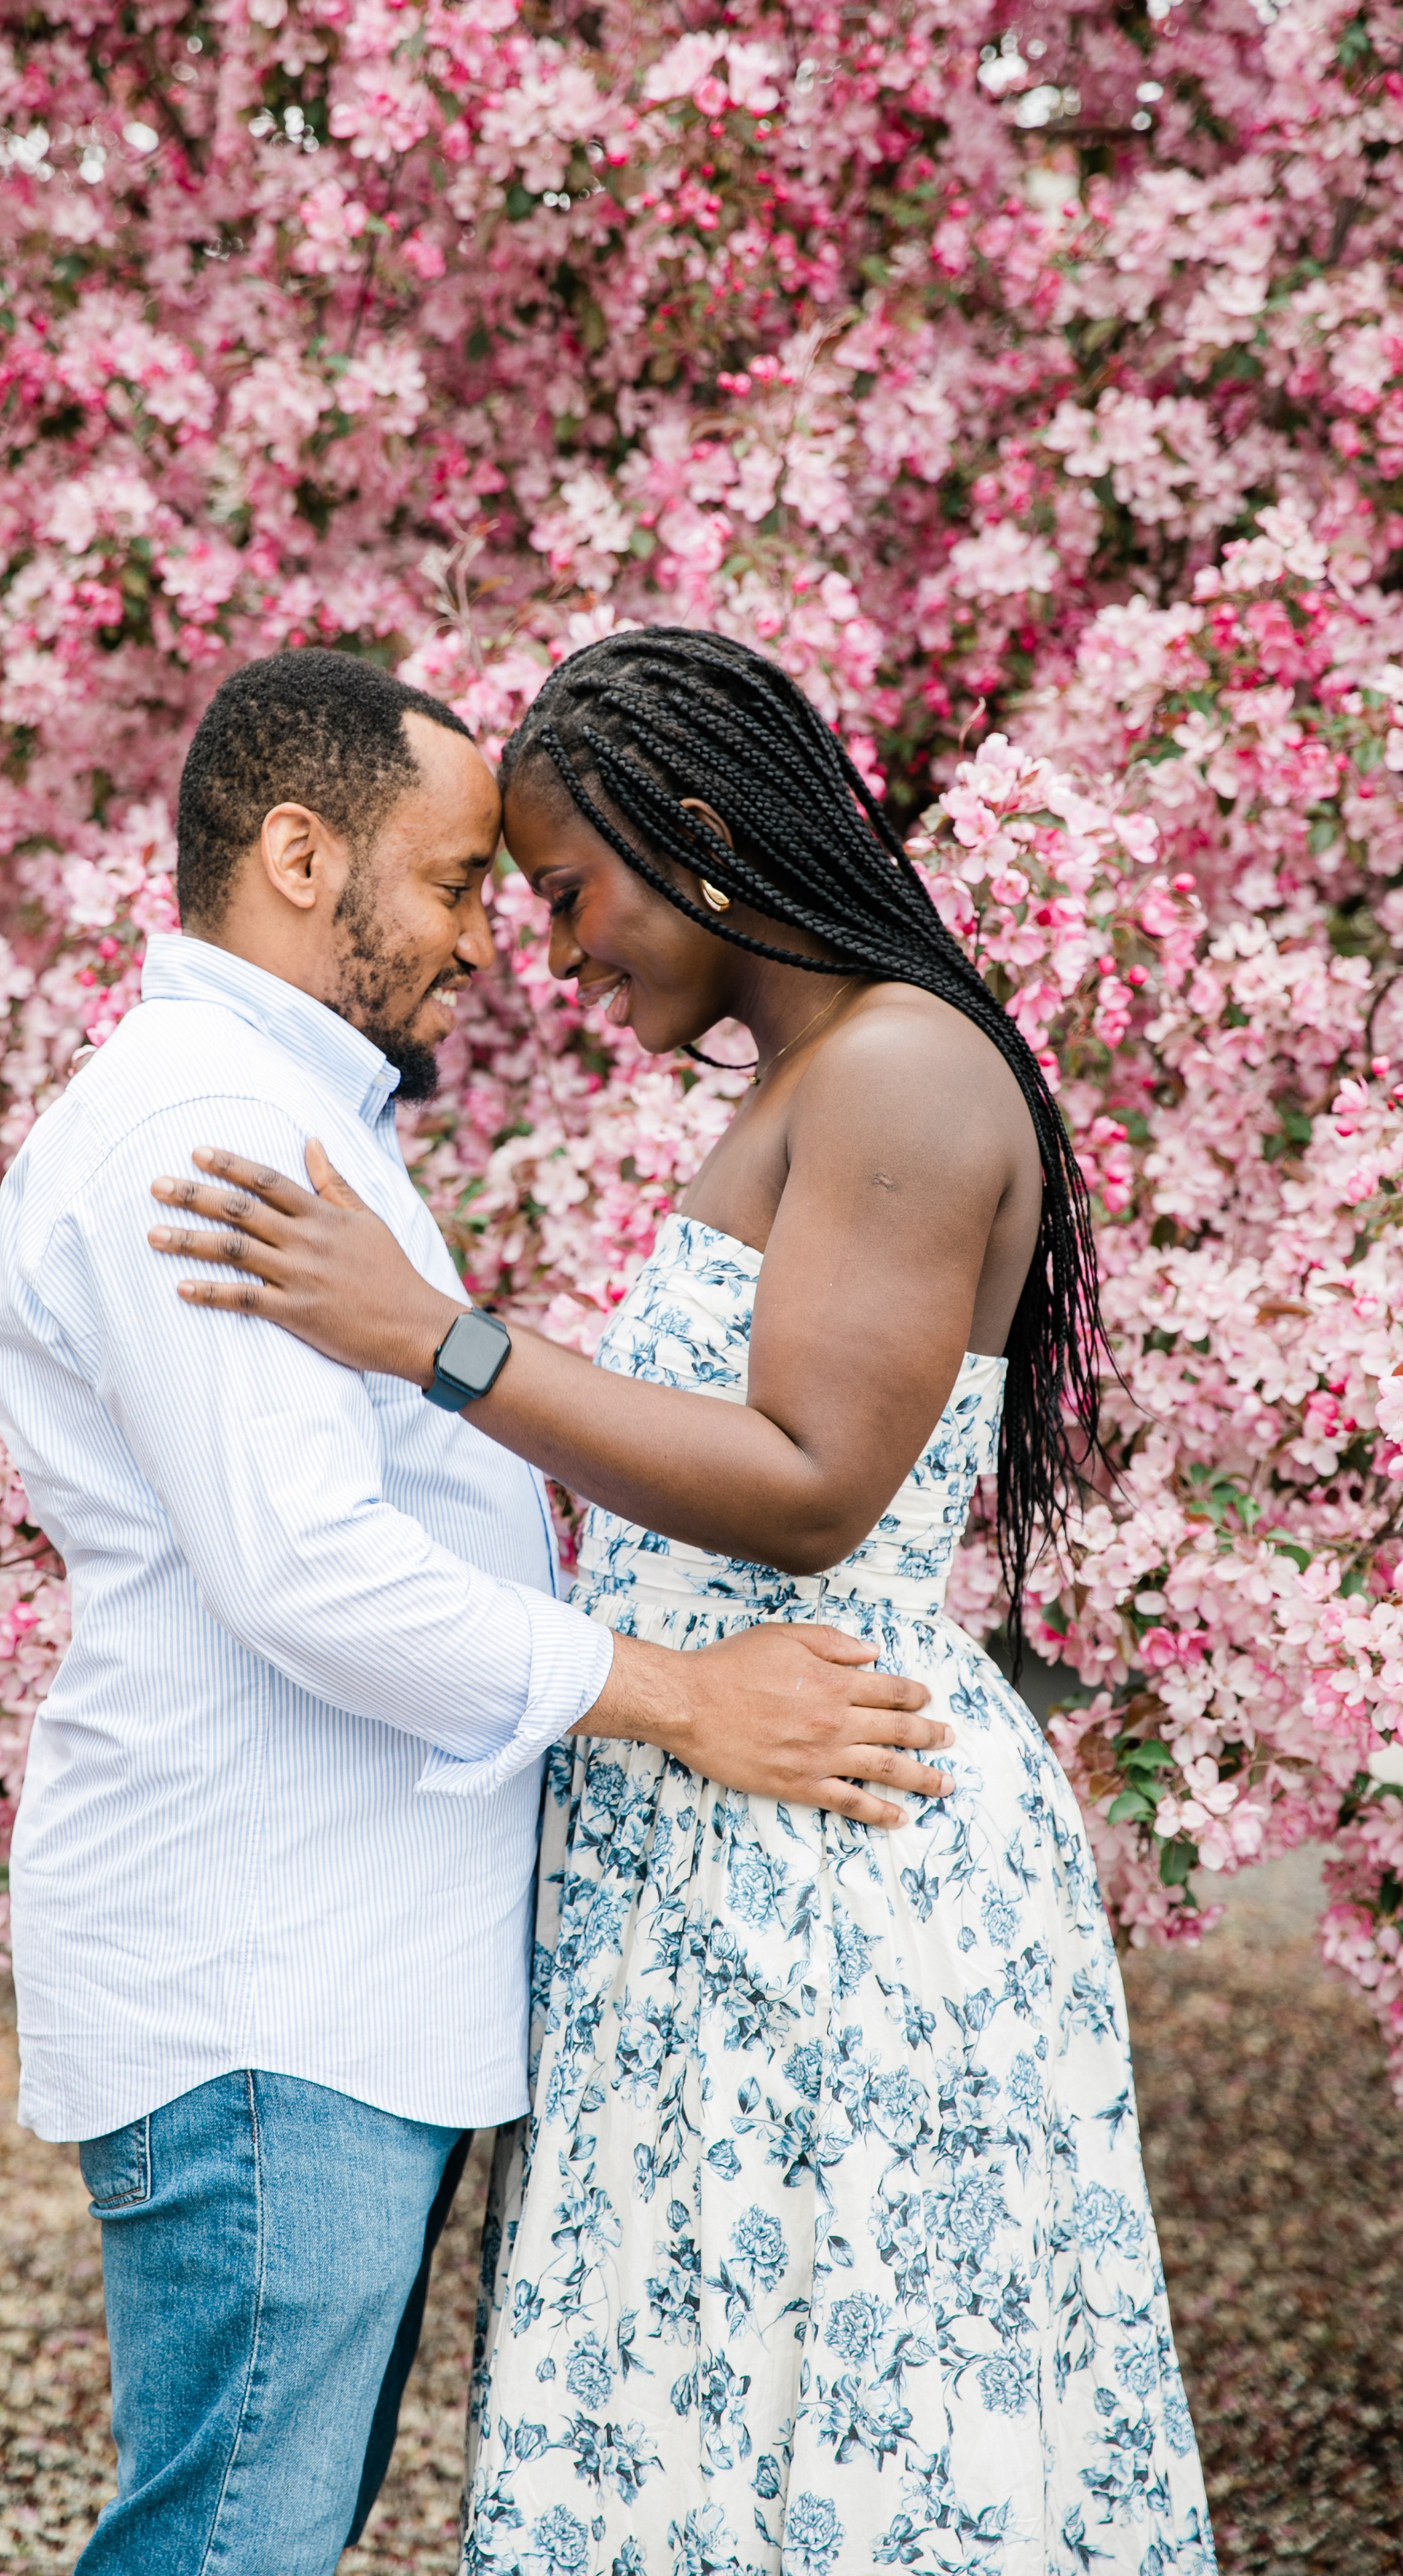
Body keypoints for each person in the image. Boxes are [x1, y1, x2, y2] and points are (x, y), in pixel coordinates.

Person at [147, 630, 1217, 2573]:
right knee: (716, 2398)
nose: (548, 953)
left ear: (699, 835)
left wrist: (436, 1340)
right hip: (720, 1838)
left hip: (834, 1845)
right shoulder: (816, 1078)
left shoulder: (899, 1067)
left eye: (564, 891)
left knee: (845, 2408)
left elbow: (813, 1484)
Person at [0, 647, 959, 2576]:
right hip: (269, 1978)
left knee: (261, 2523)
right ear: (297, 856)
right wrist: (679, 1696)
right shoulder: (207, 1131)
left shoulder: (280, 1114)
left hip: (327, 1974)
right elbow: (301, 1565)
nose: (487, 946)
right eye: (449, 885)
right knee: (231, 2539)